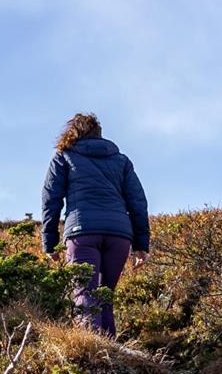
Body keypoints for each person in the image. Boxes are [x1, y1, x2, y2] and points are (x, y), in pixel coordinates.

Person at [40, 113, 149, 337]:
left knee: (84, 294)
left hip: (82, 233)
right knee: (104, 295)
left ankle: (91, 355)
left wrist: (49, 243)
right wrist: (141, 244)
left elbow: (51, 199)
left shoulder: (63, 156)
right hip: (120, 236)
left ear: (73, 132)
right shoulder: (121, 161)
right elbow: (138, 202)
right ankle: (111, 354)